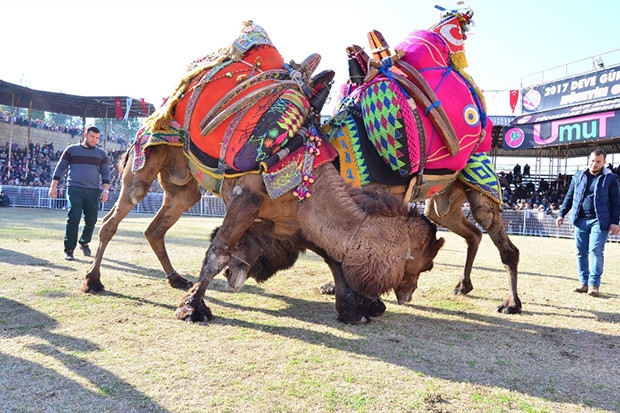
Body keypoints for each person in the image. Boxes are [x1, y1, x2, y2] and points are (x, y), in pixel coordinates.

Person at [556, 149, 620, 297]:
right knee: (580, 252)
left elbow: (617, 202)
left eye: (598, 162)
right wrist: (561, 214)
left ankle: (594, 285)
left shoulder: (611, 179)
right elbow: (570, 196)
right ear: (588, 160)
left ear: (604, 162)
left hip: (600, 221)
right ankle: (583, 283)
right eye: (592, 161)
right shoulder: (578, 176)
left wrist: (615, 222)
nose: (594, 164)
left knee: (596, 251)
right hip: (580, 220)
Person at [49, 126, 110, 261]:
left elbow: (105, 172)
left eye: (96, 138)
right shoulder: (72, 150)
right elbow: (60, 167)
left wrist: (105, 190)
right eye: (92, 137)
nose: (94, 140)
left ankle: (84, 242)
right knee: (74, 217)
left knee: (92, 220)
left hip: (93, 190)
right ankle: (69, 250)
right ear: (85, 135)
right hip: (74, 188)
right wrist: (53, 186)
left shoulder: (102, 154)